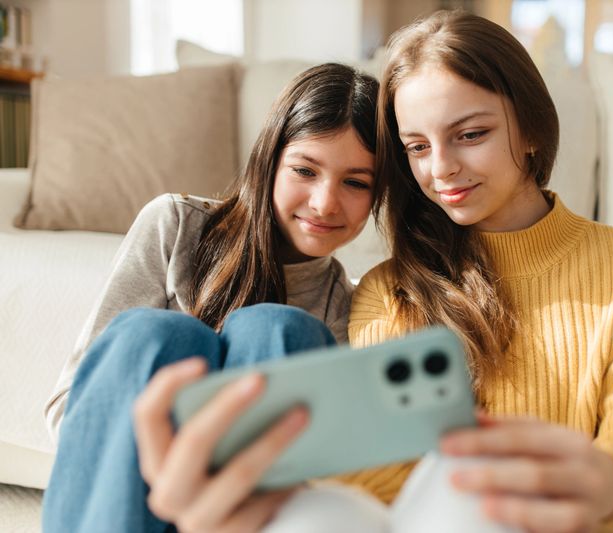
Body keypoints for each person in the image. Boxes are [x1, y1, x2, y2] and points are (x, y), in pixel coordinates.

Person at [337, 9, 613, 532]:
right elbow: (375, 472)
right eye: (417, 147)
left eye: (470, 134)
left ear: (529, 128)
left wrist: (599, 481)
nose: (440, 170)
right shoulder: (390, 289)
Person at [42, 62, 382, 533]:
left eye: (355, 182)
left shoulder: (344, 307)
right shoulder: (175, 224)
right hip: (131, 499)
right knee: (158, 333)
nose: (325, 202)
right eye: (305, 170)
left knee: (280, 329)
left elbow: (329, 478)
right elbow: (71, 407)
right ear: (269, 161)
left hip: (242, 516)